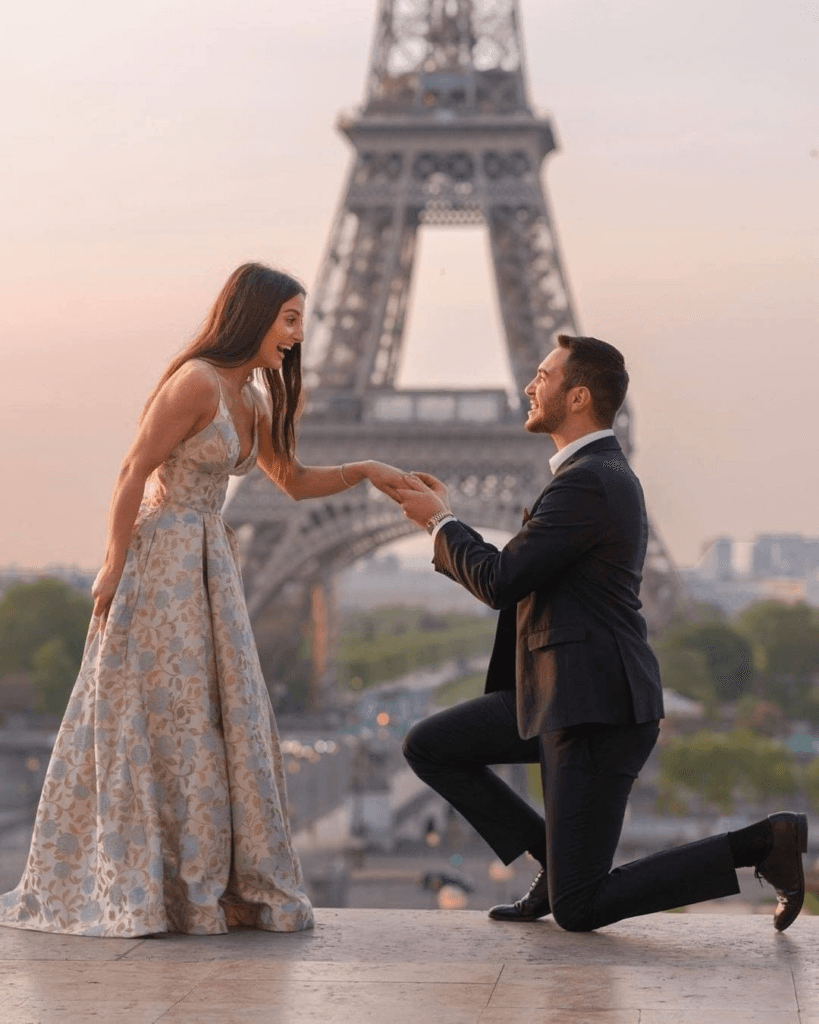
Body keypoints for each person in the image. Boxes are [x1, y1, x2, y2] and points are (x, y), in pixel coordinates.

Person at [0, 262, 406, 937]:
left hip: (211, 561)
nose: (297, 335)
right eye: (289, 320)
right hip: (164, 560)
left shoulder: (255, 398)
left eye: (300, 321)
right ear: (254, 316)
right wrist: (113, 564)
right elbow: (134, 468)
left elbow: (292, 481)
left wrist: (364, 469)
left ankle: (198, 883)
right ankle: (162, 885)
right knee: (168, 715)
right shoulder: (195, 382)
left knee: (216, 719)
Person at [392, 334, 808, 933]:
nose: (529, 386)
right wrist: (446, 520)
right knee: (430, 745)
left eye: (542, 376)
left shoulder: (589, 480)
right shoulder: (592, 474)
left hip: (595, 709)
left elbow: (501, 580)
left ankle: (763, 842)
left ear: (578, 397)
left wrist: (439, 521)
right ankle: (554, 860)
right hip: (560, 692)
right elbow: (520, 574)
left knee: (579, 908)